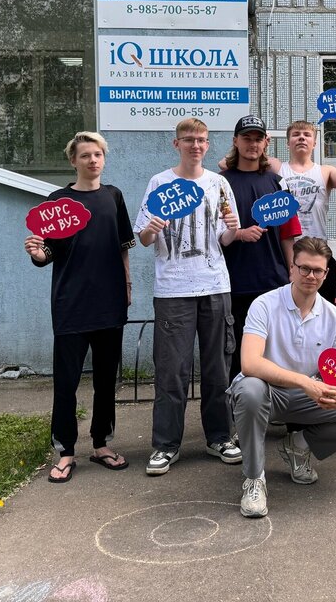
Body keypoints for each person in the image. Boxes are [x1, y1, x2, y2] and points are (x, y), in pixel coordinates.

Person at [230, 237, 336, 518]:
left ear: (326, 274)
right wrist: (306, 382)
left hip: (309, 396)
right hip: (268, 392)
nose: (311, 275)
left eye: (318, 270)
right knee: (249, 390)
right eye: (304, 268)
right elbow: (249, 363)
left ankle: (298, 446)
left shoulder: (333, 316)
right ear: (292, 268)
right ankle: (254, 478)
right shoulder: (264, 304)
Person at [24, 131, 134, 483]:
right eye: (85, 155)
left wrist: (127, 284)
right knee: (66, 382)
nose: (92, 160)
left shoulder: (114, 197)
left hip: (110, 303)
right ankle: (65, 451)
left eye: (97, 154)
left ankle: (101, 444)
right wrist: (37, 254)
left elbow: (123, 246)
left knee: (105, 379)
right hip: (71, 304)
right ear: (73, 161)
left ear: (104, 158)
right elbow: (48, 252)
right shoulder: (58, 201)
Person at [134, 118, 242, 476]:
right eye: (189, 139)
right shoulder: (160, 183)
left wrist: (233, 230)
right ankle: (166, 445)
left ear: (208, 145)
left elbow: (225, 239)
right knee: (172, 371)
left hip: (215, 286)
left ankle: (220, 437)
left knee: (218, 368)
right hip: (173, 290)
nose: (195, 145)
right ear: (176, 144)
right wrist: (151, 229)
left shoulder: (219, 183)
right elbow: (144, 239)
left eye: (201, 140)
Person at [220, 114, 302, 383]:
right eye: (247, 138)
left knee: (278, 351)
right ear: (235, 141)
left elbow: (288, 234)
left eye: (258, 139)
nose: (252, 144)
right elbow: (211, 232)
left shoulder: (277, 182)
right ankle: (240, 405)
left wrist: (292, 270)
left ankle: (281, 406)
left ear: (266, 142)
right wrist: (239, 234)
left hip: (273, 281)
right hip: (233, 283)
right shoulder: (219, 182)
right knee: (237, 354)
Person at [279, 118, 336, 303]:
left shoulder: (325, 171)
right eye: (296, 134)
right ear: (288, 142)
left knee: (321, 309)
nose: (301, 138)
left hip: (318, 251)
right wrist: (263, 143)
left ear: (315, 143)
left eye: (307, 135)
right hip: (286, 253)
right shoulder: (277, 168)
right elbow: (225, 163)